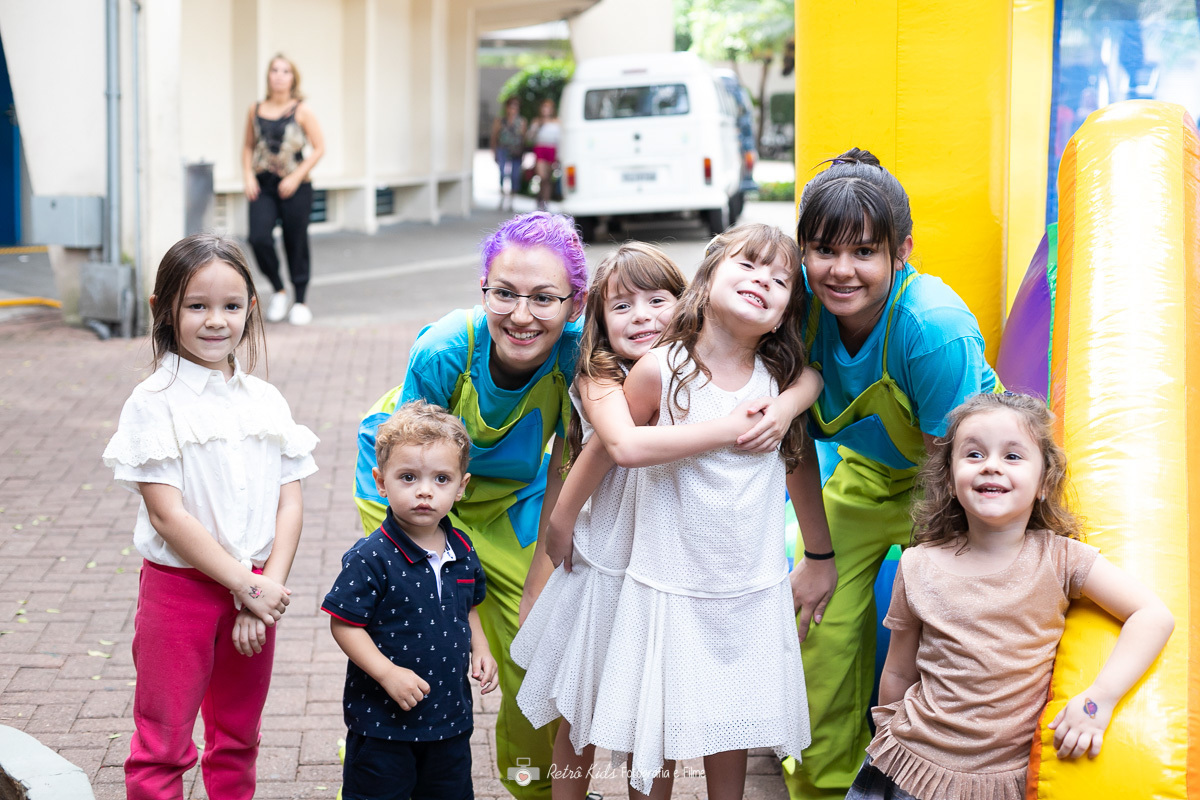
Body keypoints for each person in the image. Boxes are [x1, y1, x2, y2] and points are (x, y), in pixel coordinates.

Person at [514, 239, 823, 800]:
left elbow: (806, 391)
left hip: (677, 561)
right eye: (622, 305)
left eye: (656, 300)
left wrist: (793, 399)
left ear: (684, 300)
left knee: (664, 706)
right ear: (600, 322)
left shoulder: (753, 370)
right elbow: (609, 450)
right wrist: (557, 527)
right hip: (614, 558)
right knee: (587, 707)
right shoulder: (608, 375)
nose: (642, 316)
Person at [785, 148, 1001, 800]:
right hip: (867, 475)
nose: (841, 270)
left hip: (957, 485)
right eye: (823, 250)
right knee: (813, 629)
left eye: (864, 252)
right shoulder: (792, 311)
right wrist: (818, 554)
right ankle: (823, 786)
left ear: (900, 251)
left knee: (950, 629)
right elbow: (792, 442)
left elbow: (956, 464)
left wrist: (934, 573)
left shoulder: (931, 329)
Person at [352, 211, 586, 800]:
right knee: (415, 641)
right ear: (484, 291)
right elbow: (411, 456)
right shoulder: (446, 349)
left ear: (575, 304)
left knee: (536, 655)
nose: (523, 315)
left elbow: (565, 462)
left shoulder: (579, 357)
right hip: (410, 486)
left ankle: (531, 787)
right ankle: (373, 769)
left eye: (544, 298)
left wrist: (537, 586)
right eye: (504, 294)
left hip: (513, 499)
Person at [847, 392, 1174, 800]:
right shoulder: (917, 565)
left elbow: (1152, 614)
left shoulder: (1059, 558)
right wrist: (887, 734)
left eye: (1013, 456)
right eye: (974, 454)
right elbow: (898, 670)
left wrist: (1098, 701)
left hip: (1000, 780)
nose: (991, 466)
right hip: (909, 764)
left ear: (1044, 483)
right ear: (949, 479)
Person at [102, 234, 317, 800]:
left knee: (238, 739)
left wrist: (263, 586)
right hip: (181, 595)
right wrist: (244, 583)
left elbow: (289, 500)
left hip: (254, 589)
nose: (215, 320)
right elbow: (168, 517)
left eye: (230, 305)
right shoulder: (153, 401)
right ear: (164, 309)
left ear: (251, 307)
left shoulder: (266, 400)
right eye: (197, 305)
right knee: (163, 747)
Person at [324, 400, 498, 800]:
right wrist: (387, 673)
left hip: (450, 719)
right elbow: (344, 622)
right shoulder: (371, 556)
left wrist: (481, 647)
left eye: (441, 479)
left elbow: (469, 602)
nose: (424, 491)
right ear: (381, 483)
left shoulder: (462, 547)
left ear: (461, 487)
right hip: (383, 724)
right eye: (408, 477)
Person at [242, 54, 325, 326]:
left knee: (295, 241)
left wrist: (296, 177)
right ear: (268, 76)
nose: (279, 75)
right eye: (274, 70)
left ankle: (300, 301)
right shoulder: (255, 110)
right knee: (258, 238)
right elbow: (248, 146)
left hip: (296, 186)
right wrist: (247, 176)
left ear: (293, 78)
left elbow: (319, 147)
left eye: (285, 71)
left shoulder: (302, 111)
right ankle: (278, 289)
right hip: (263, 185)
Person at [491, 96, 527, 211]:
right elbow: (494, 136)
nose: (512, 109)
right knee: (502, 172)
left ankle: (511, 199)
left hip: (516, 150)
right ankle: (502, 195)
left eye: (515, 106)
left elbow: (523, 138)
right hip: (503, 148)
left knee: (515, 175)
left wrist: (523, 153)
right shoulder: (500, 121)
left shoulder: (521, 121)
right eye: (511, 106)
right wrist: (494, 151)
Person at [527, 99, 561, 211]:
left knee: (548, 179)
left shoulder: (557, 122)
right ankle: (540, 198)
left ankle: (545, 202)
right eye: (544, 107)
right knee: (542, 176)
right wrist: (537, 127)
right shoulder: (537, 121)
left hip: (552, 150)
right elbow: (529, 138)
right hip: (540, 149)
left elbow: (560, 139)